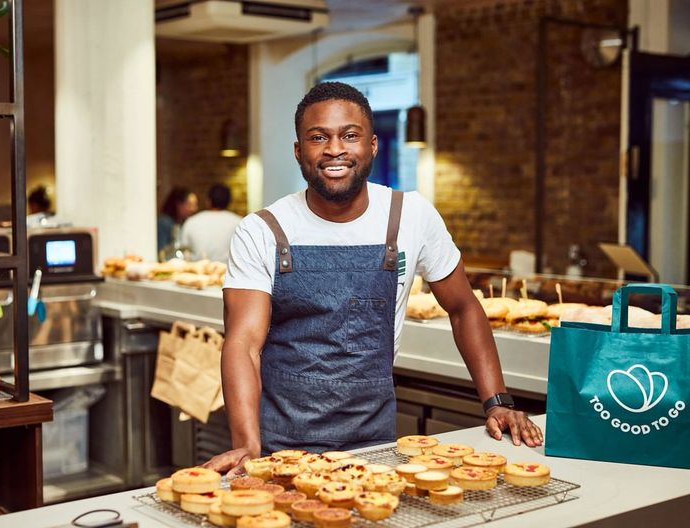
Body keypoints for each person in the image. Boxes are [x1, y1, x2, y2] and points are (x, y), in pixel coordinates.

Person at [204, 82, 542, 476]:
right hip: (281, 448)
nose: (335, 149)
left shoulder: (410, 215)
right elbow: (243, 342)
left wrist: (497, 401)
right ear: (299, 150)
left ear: (373, 145)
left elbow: (464, 307)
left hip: (377, 447)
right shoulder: (263, 230)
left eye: (350, 135)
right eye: (318, 137)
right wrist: (246, 442)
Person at [180, 184, 242, 262]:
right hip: (229, 272)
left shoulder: (191, 221)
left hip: (198, 272)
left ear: (208, 201)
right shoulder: (240, 223)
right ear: (229, 202)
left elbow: (184, 254)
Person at [157, 186, 198, 255]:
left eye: (195, 205)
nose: (194, 209)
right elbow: (162, 251)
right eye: (190, 205)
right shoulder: (165, 223)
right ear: (178, 205)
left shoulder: (183, 223)